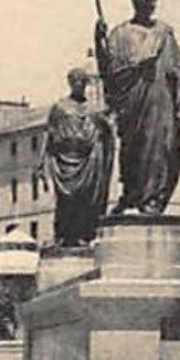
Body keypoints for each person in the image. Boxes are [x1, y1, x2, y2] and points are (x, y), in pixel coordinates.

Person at [95, 0, 180, 217]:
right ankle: (132, 195)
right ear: (135, 3)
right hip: (133, 103)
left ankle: (152, 199)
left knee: (160, 148)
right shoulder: (119, 34)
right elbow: (109, 71)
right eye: (144, 0)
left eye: (152, 0)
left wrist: (179, 77)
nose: (149, 4)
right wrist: (99, 42)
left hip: (161, 101)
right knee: (132, 149)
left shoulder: (165, 33)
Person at [41, 67, 115, 246]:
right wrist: (41, 163)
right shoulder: (59, 107)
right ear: (70, 83)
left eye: (83, 82)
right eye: (76, 81)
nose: (79, 85)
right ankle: (64, 236)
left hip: (88, 158)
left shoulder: (92, 109)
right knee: (66, 199)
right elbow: (48, 135)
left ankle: (83, 235)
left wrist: (105, 128)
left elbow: (107, 133)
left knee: (86, 198)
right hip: (64, 160)